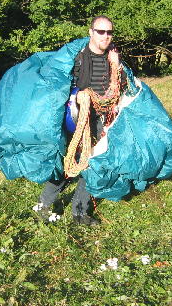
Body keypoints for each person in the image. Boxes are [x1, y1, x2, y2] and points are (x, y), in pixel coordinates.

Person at [35, 15, 126, 226]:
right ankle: (43, 206)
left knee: (92, 163)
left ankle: (80, 213)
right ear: (91, 32)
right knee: (70, 164)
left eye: (109, 32)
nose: (105, 36)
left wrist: (116, 66)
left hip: (103, 119)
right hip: (75, 119)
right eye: (101, 31)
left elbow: (120, 88)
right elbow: (56, 83)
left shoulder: (114, 58)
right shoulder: (76, 56)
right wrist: (76, 95)